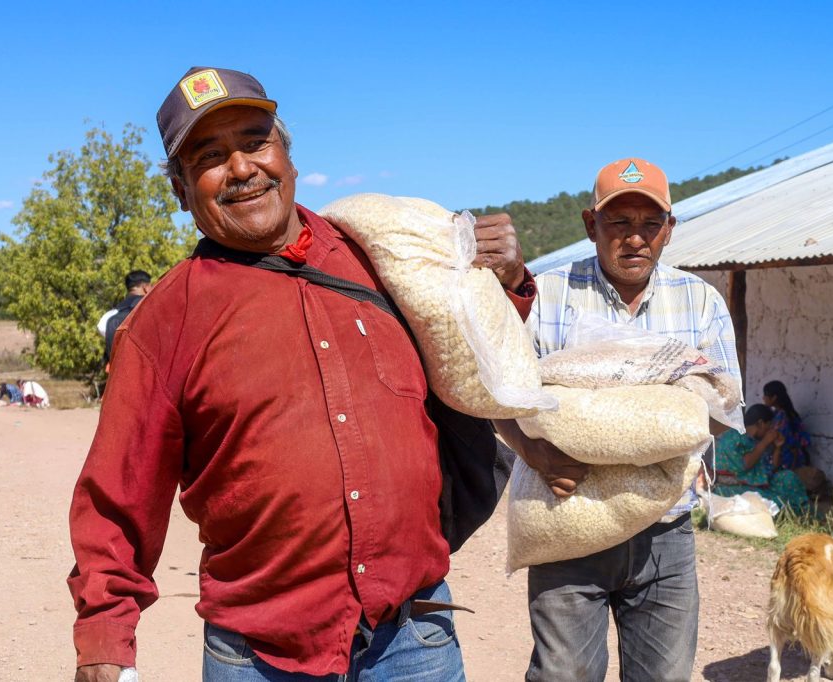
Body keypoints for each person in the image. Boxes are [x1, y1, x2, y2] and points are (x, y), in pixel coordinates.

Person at [67, 66, 535, 682]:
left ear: (287, 157)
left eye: (255, 142)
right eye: (210, 157)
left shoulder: (379, 253)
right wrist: (104, 637)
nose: (241, 169)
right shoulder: (164, 322)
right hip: (260, 653)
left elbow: (470, 346)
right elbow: (118, 490)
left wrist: (505, 280)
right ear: (180, 190)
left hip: (414, 634)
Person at [495, 158, 741, 682]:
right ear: (591, 225)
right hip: (567, 524)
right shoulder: (547, 296)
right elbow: (500, 394)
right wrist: (532, 450)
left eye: (650, 224)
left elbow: (723, 405)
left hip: (665, 532)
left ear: (669, 229)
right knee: (565, 675)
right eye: (619, 222)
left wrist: (653, 441)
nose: (635, 238)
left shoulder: (700, 301)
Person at [713, 403, 809, 512]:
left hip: (760, 484)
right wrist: (764, 443)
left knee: (788, 477)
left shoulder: (756, 440)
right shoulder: (733, 437)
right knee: (774, 503)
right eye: (769, 426)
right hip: (735, 486)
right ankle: (790, 510)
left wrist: (778, 448)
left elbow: (772, 468)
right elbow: (742, 466)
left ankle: (803, 509)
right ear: (760, 423)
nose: (770, 430)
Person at [97, 270, 153, 369]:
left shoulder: (110, 314)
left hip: (119, 371)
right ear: (146, 287)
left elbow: (101, 328)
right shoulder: (151, 309)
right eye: (151, 286)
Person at [762, 379, 811, 469]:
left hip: (786, 460)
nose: (763, 398)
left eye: (765, 395)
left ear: (774, 397)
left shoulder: (782, 417)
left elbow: (779, 441)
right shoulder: (784, 413)